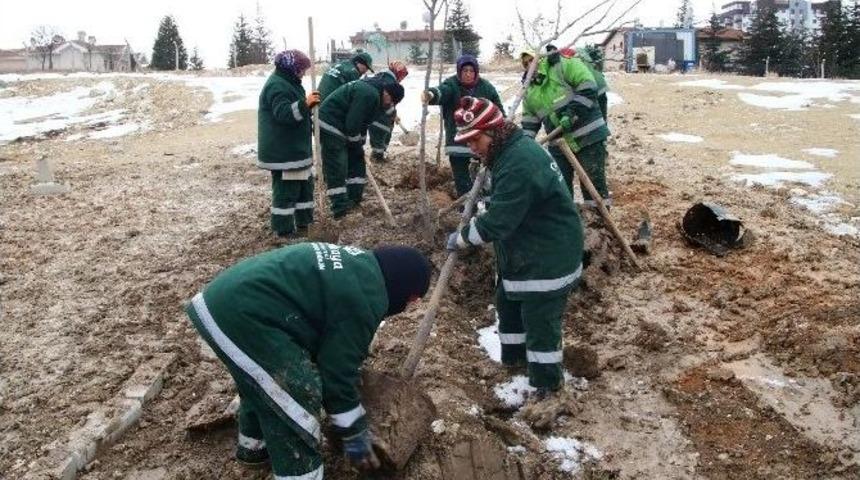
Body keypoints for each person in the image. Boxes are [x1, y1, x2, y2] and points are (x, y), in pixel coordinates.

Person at [186, 243, 432, 478]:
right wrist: (356, 441)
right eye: (410, 303)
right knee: (295, 395)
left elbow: (323, 344)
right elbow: (336, 376)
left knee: (266, 384)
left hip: (223, 300)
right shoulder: (366, 298)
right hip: (242, 314)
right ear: (408, 295)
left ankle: (254, 451)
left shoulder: (360, 267)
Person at [445, 97, 584, 398]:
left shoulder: (519, 161)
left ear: (493, 132)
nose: (472, 148)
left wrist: (463, 237)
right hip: (524, 248)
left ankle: (546, 385)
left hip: (547, 254)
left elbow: (499, 222)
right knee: (507, 304)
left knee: (540, 322)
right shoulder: (506, 153)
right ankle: (514, 364)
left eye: (475, 140)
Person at [520, 47, 611, 209]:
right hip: (559, 145)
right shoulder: (529, 91)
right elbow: (529, 122)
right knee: (561, 190)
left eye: (532, 60)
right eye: (525, 64)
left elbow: (588, 86)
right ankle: (569, 226)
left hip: (588, 136)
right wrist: (524, 145)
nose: (529, 66)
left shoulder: (563, 66)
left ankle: (602, 227)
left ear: (541, 58)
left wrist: (571, 113)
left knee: (593, 186)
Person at [319, 74, 404, 217]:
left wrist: (359, 144)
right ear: (387, 94)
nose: (389, 105)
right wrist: (356, 143)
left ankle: (354, 198)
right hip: (330, 124)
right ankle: (339, 208)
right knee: (337, 166)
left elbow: (362, 123)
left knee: (357, 161)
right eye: (391, 102)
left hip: (344, 126)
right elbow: (353, 124)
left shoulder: (375, 95)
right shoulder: (369, 94)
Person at [422, 54, 505, 198]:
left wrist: (503, 127)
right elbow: (442, 91)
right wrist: (431, 94)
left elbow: (498, 110)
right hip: (458, 141)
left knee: (485, 174)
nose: (468, 74)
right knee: (461, 178)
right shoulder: (452, 84)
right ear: (459, 72)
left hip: (481, 141)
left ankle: (487, 200)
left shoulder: (486, 87)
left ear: (476, 72)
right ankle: (466, 205)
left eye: (471, 71)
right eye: (464, 71)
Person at [257, 50, 319, 237]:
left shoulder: (289, 83)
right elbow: (284, 114)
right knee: (287, 192)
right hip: (285, 152)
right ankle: (283, 230)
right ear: (293, 69)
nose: (304, 73)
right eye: (302, 69)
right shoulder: (278, 86)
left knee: (304, 189)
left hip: (295, 151)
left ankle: (305, 224)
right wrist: (304, 104)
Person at [369, 61, 409, 163]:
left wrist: (394, 114)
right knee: (382, 129)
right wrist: (393, 114)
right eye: (402, 76)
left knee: (382, 130)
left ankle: (379, 154)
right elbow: (387, 103)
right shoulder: (390, 82)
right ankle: (378, 156)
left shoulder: (382, 76)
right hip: (379, 115)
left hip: (374, 111)